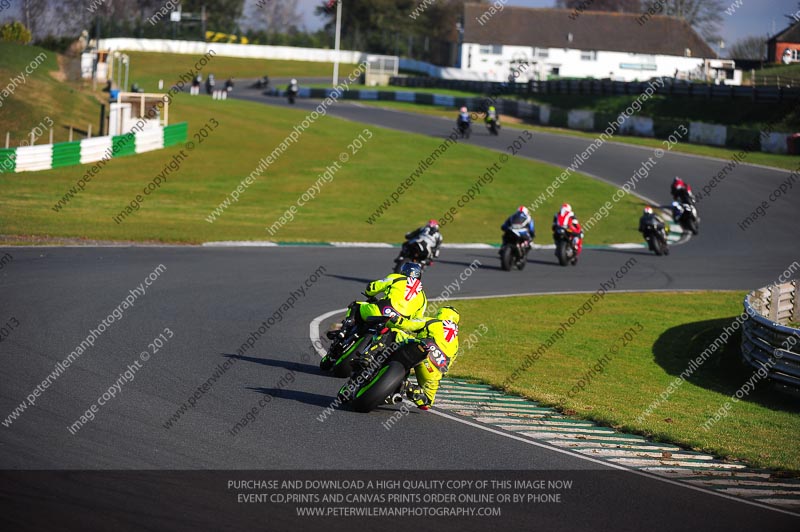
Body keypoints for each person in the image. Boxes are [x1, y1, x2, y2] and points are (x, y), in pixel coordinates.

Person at [326, 262, 428, 344]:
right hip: (398, 323)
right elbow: (417, 319)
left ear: (403, 272)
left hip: (381, 310)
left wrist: (368, 293)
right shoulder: (423, 298)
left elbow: (373, 287)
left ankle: (345, 329)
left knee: (356, 306)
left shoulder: (396, 278)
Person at [394, 306, 460, 410]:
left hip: (421, 351)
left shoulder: (432, 321)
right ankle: (410, 387)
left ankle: (379, 358)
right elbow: (447, 367)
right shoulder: (456, 343)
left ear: (441, 313)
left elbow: (408, 325)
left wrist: (395, 321)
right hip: (433, 373)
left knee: (395, 333)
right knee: (427, 402)